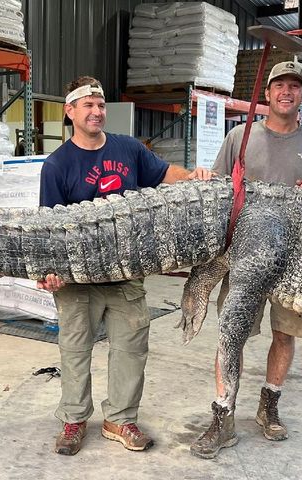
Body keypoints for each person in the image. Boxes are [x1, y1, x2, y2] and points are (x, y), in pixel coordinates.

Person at [38, 76, 213, 456]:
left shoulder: (129, 148)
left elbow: (165, 174)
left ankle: (120, 419)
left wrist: (194, 176)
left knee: (131, 348)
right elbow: (48, 227)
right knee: (74, 349)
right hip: (77, 279)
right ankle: (73, 418)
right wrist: (48, 272)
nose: (97, 111)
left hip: (126, 274)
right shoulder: (56, 165)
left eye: (101, 105)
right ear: (70, 111)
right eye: (88, 105)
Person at [190, 60, 302, 459]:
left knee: (285, 334)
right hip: (245, 258)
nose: (286, 92)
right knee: (231, 333)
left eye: (295, 86)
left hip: (297, 261)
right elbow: (221, 191)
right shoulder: (240, 137)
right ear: (268, 92)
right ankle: (222, 414)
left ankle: (269, 404)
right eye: (280, 85)